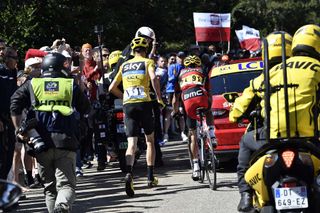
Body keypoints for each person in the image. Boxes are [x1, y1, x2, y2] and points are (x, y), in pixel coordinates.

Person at [229, 27, 319, 212]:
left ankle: (245, 194)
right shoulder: (316, 69)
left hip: (271, 136)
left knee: (245, 142)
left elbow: (236, 113)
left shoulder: (269, 74)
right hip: (311, 137)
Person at [10, 52, 90, 213]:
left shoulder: (32, 84)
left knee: (49, 188)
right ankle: (62, 206)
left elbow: (14, 103)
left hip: (40, 142)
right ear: (62, 66)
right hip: (66, 141)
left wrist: (19, 128)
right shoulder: (69, 84)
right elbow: (86, 108)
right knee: (66, 185)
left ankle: (56, 208)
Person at [109, 36, 163, 197]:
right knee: (149, 140)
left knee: (131, 143)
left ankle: (129, 173)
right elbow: (153, 78)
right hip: (144, 103)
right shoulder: (147, 62)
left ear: (133, 50)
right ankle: (150, 177)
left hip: (128, 104)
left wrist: (124, 95)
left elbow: (112, 87)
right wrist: (159, 98)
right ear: (145, 50)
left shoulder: (125, 65)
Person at [172, 55, 216, 181]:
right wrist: (209, 106)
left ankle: (196, 167)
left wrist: (175, 111)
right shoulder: (202, 71)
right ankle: (212, 135)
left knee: (192, 135)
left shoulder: (180, 74)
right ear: (198, 65)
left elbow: (176, 97)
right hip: (201, 96)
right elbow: (209, 92)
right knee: (208, 111)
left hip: (187, 100)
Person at [0, 47, 18, 180]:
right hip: (1, 119)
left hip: (10, 120)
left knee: (9, 155)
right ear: (5, 58)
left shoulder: (13, 72)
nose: (16, 61)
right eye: (14, 58)